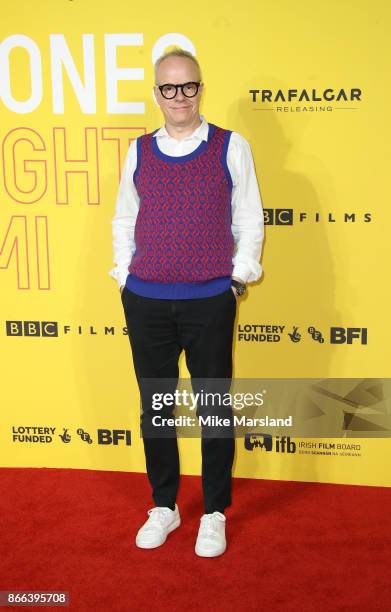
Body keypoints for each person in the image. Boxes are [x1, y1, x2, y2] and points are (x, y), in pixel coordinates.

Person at [109, 48, 264, 557]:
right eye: (169, 88)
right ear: (156, 94)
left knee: (214, 409)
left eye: (189, 86)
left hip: (209, 302)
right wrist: (125, 278)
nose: (180, 97)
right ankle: (165, 506)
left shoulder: (230, 145)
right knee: (156, 408)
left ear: (201, 88)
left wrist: (236, 280)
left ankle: (215, 512)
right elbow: (124, 220)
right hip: (147, 301)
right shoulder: (138, 150)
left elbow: (248, 219)